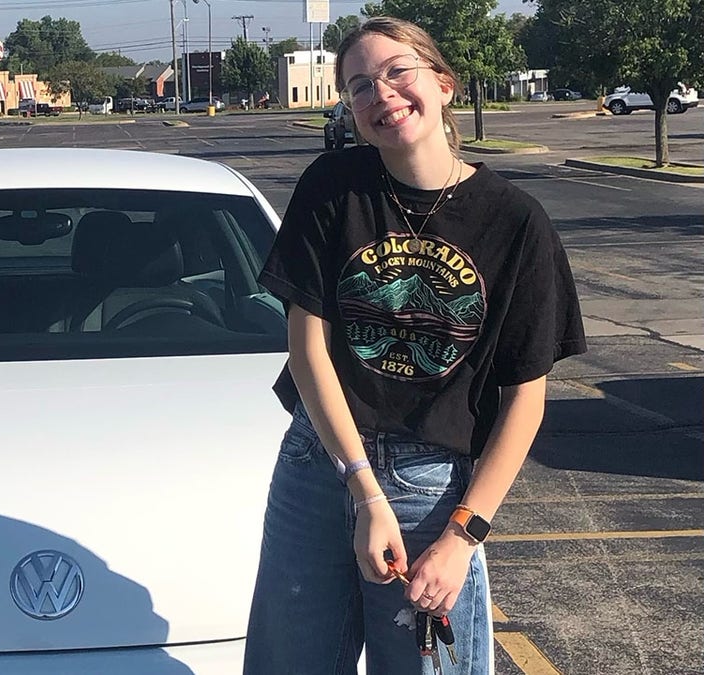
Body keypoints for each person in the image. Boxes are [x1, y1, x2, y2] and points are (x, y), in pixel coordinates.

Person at [243, 16, 585, 675]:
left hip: (430, 486)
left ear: (444, 84)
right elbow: (307, 349)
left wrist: (463, 536)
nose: (382, 93)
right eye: (360, 85)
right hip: (321, 462)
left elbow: (525, 401)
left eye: (399, 71)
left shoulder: (515, 223)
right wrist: (363, 490)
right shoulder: (332, 188)